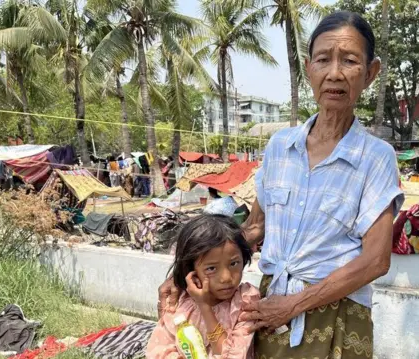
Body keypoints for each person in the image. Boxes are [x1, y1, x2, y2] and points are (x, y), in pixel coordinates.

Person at [158, 10, 404, 359]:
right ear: (309, 69)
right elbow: (255, 227)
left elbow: (376, 260)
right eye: (323, 60)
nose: (334, 73)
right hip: (271, 306)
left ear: (370, 72)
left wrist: (293, 305)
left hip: (337, 315)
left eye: (349, 60)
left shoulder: (375, 157)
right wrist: (185, 270)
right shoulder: (280, 146)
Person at [146, 215, 260, 359]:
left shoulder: (245, 301)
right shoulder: (180, 302)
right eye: (211, 268)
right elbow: (160, 349)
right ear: (190, 271)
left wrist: (204, 306)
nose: (226, 278)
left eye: (234, 263)